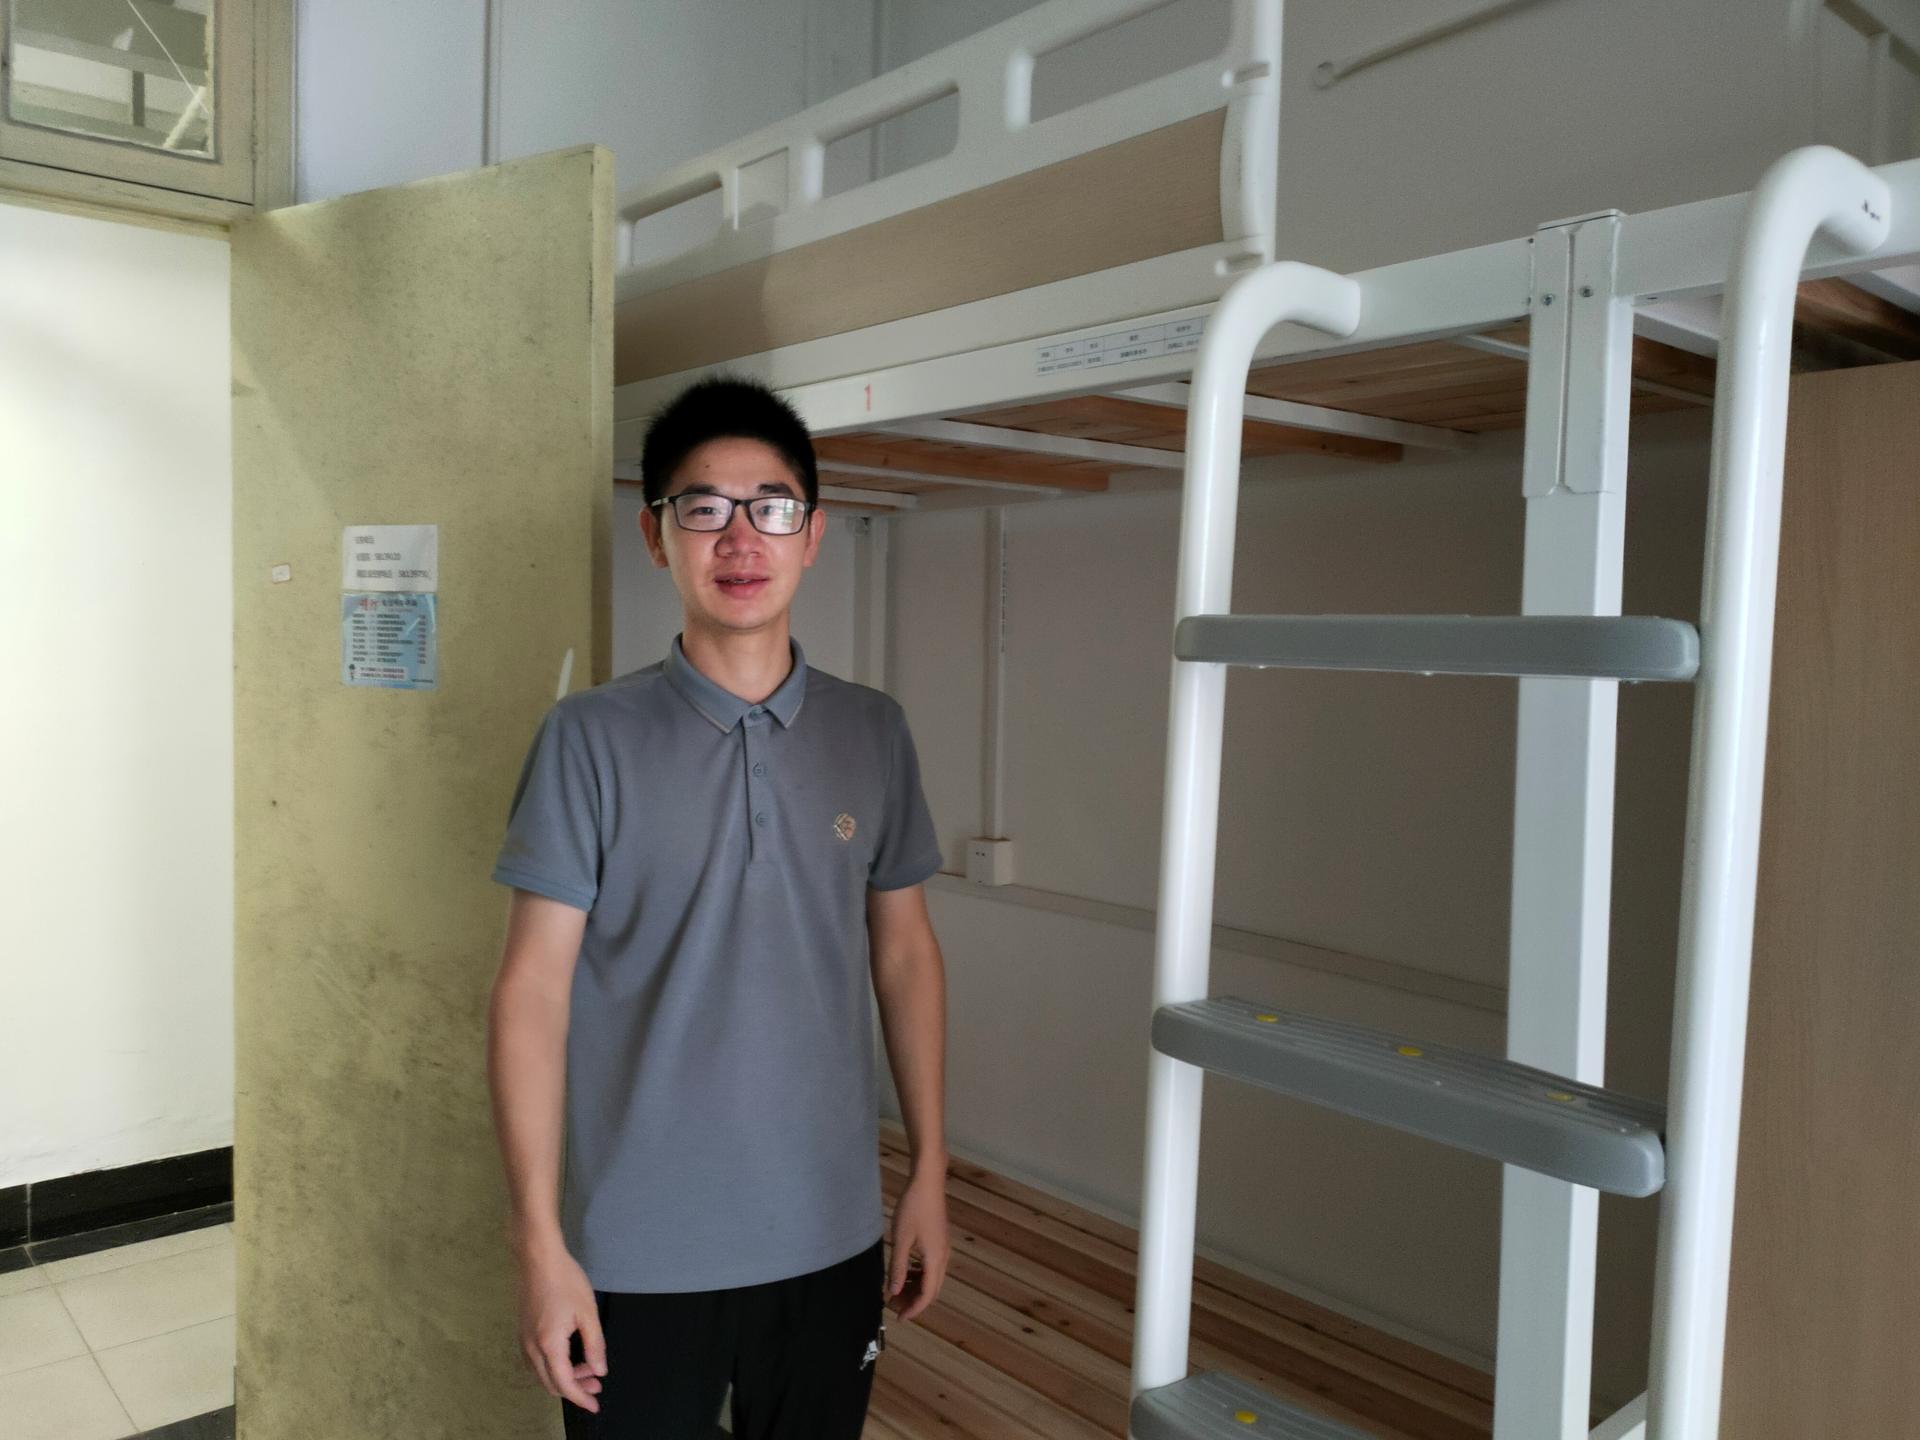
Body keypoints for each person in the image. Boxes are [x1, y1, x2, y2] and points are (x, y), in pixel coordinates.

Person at [486, 376, 951, 1438]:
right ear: (657, 537)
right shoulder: (587, 739)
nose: (740, 538)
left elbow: (907, 957)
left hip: (830, 1233)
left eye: (771, 507)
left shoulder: (873, 732)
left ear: (813, 534)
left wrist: (930, 1167)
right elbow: (531, 996)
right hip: (635, 1248)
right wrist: (539, 1244)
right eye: (702, 507)